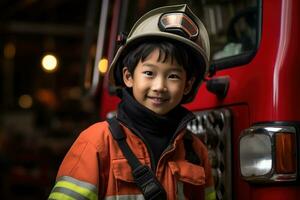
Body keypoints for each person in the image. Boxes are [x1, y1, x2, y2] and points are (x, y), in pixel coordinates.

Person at [48, 4, 216, 200]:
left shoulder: (196, 151)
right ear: (128, 77)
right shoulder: (96, 143)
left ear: (187, 85)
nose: (159, 86)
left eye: (173, 76)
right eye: (149, 73)